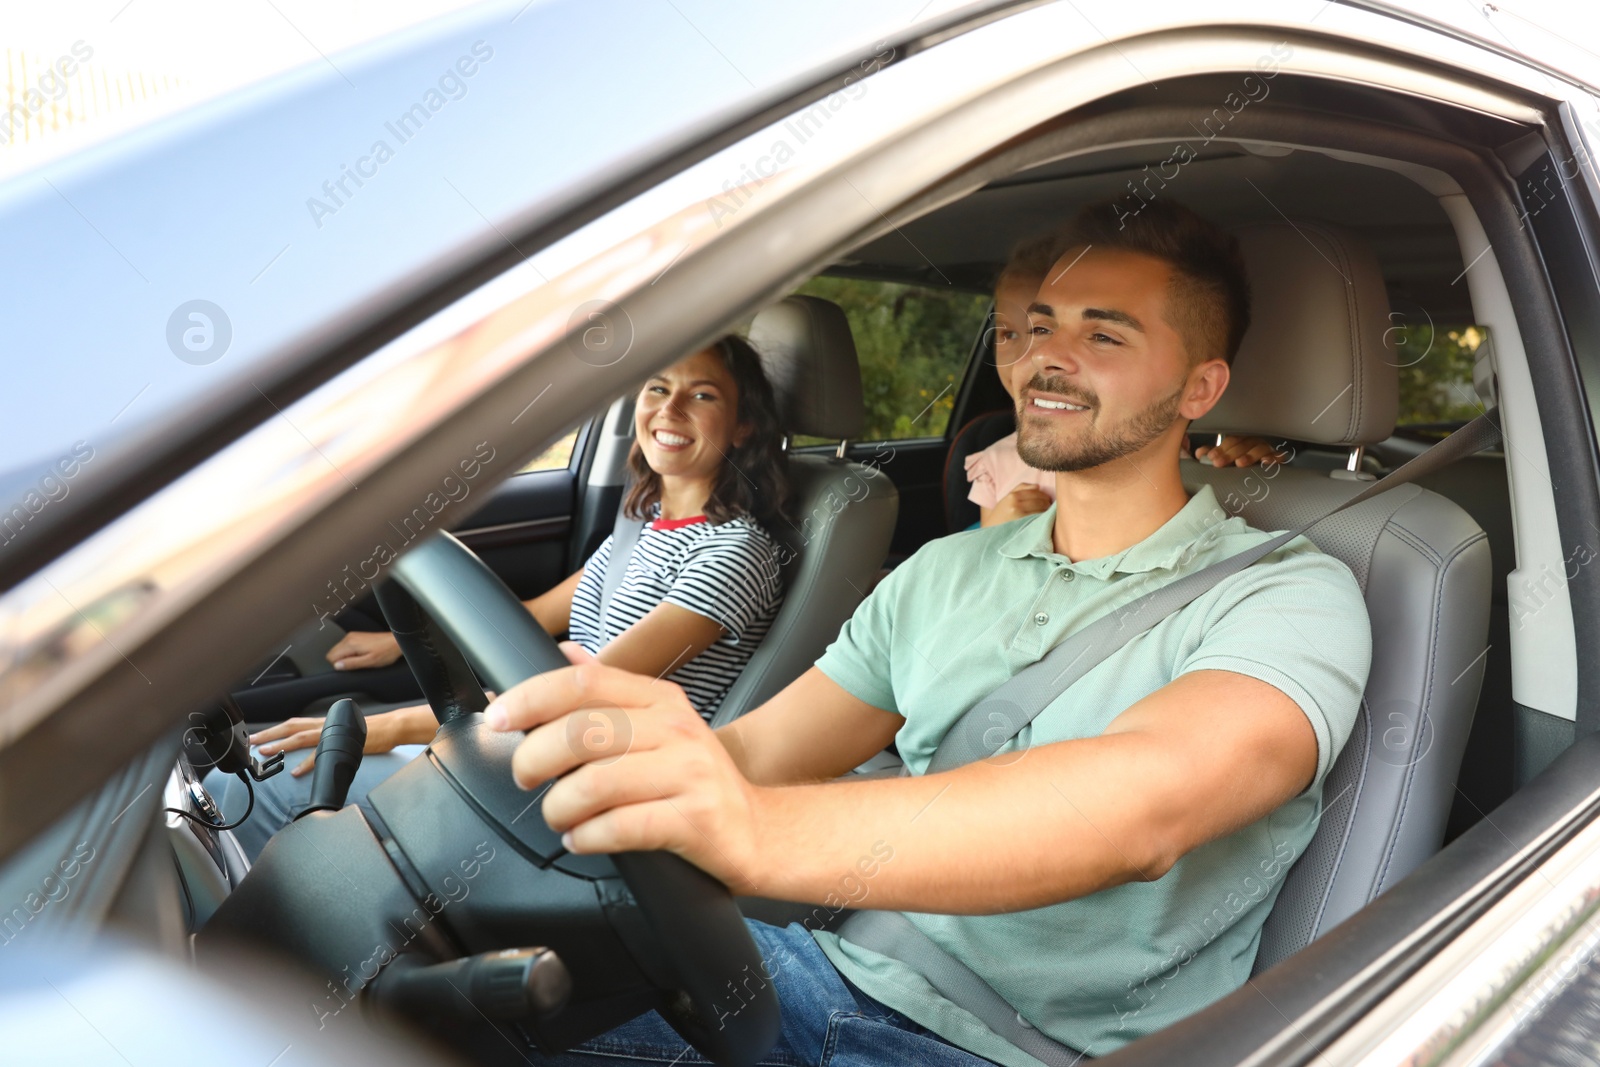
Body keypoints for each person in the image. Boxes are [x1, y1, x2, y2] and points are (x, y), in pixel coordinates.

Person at [483, 199, 1373, 1065]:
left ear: (1200, 386)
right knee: (455, 976)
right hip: (840, 977)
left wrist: (754, 828)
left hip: (1012, 1051)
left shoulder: (1289, 594)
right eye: (1035, 327)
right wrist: (604, 736)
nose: (1043, 361)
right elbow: (754, 751)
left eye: (1103, 334)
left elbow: (1136, 809)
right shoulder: (944, 571)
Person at [218, 336, 792, 858]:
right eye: (658, 388)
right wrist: (399, 643)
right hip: (540, 737)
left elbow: (581, 693)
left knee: (256, 793)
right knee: (254, 775)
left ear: (742, 426)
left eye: (703, 396)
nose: (669, 410)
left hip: (598, 770)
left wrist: (391, 727)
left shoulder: (735, 552)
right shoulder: (644, 526)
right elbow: (534, 619)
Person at [967, 232, 1285, 527]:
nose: (1040, 355)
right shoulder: (938, 565)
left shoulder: (1270, 580)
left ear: (1200, 388)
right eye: (1042, 329)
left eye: (1104, 337)